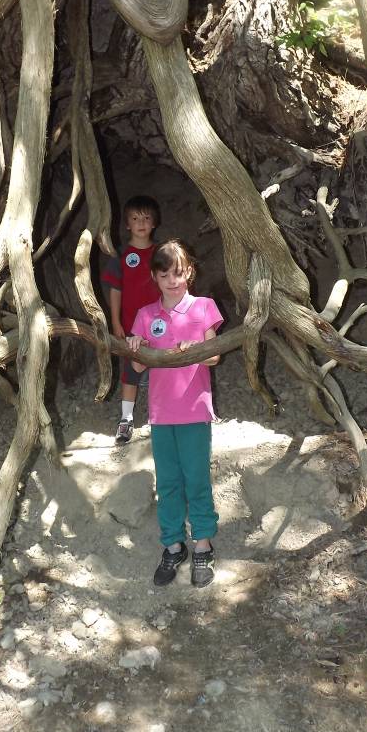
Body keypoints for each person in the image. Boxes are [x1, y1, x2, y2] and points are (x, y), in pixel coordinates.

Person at [126, 239, 223, 588]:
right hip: (161, 415)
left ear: (190, 273)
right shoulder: (146, 316)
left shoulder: (203, 307)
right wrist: (136, 346)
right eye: (165, 274)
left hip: (195, 411)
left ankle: (202, 543)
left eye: (179, 273)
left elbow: (214, 356)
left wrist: (197, 348)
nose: (172, 280)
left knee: (196, 478)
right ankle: (172, 544)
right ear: (155, 276)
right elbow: (137, 366)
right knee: (167, 483)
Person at [101, 195, 161, 444]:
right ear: (127, 224)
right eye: (135, 218)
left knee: (162, 368)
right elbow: (115, 291)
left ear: (154, 222)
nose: (141, 223)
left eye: (146, 217)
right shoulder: (122, 257)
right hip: (131, 325)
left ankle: (160, 416)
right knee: (131, 371)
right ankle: (126, 419)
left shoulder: (162, 253)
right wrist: (115, 322)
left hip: (160, 324)